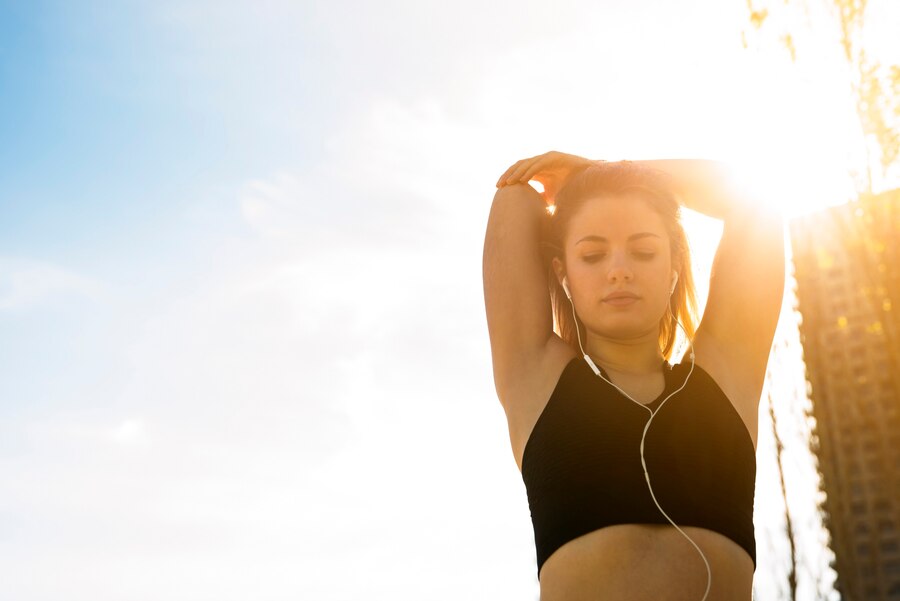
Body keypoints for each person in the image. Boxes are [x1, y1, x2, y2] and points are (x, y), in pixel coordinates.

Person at [482, 151, 785, 601]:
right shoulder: (535, 376)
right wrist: (600, 180)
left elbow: (756, 203)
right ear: (562, 275)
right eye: (592, 254)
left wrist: (607, 169)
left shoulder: (728, 369)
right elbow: (514, 198)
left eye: (643, 251)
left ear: (675, 268)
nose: (619, 270)